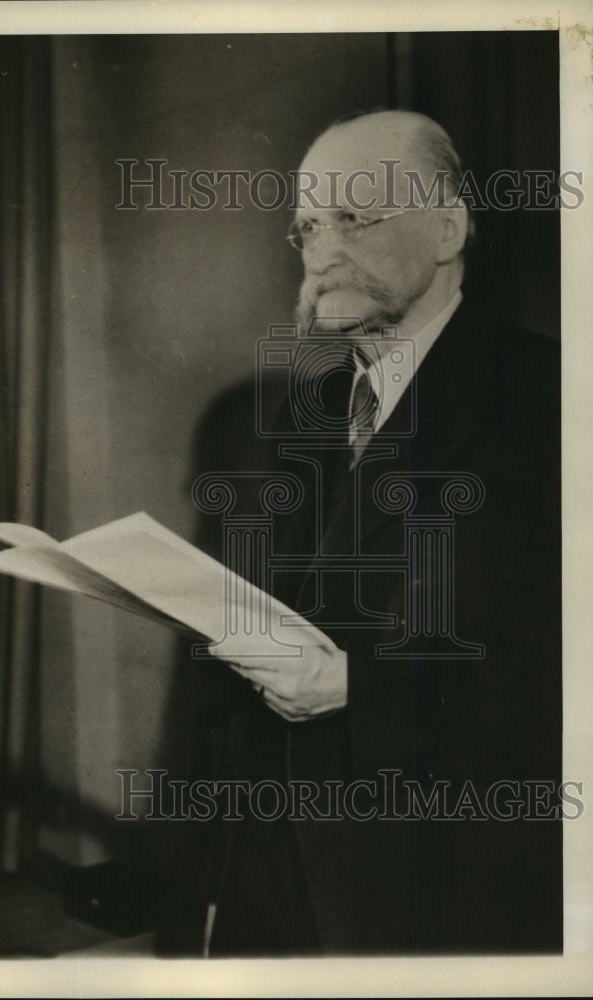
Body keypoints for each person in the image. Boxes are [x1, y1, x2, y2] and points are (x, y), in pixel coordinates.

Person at [159, 110, 562, 957]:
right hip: (273, 881)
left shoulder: (551, 400)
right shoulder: (305, 418)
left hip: (436, 891)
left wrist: (362, 690)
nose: (322, 248)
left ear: (447, 228)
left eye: (355, 217)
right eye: (308, 225)